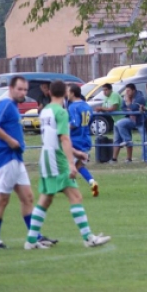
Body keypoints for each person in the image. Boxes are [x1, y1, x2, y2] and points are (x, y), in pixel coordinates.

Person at [24, 80, 110, 249]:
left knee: (46, 199)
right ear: (64, 93)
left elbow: (53, 136)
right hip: (58, 158)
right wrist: (71, 163)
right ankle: (88, 238)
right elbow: (64, 138)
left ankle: (31, 240)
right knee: (75, 197)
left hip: (46, 157)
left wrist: (76, 153)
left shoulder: (45, 111)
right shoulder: (62, 112)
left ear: (49, 93)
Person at [0, 76, 56, 250]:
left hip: (16, 158)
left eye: (25, 89)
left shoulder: (14, 106)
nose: (23, 92)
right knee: (2, 199)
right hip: (5, 158)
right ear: (11, 88)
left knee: (28, 197)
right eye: (20, 89)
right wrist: (10, 141)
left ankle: (35, 236)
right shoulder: (6, 104)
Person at [67, 84, 98, 196]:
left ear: (72, 93)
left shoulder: (73, 107)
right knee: (79, 165)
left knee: (67, 166)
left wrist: (63, 127)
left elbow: (75, 123)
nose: (66, 93)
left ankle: (71, 191)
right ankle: (92, 182)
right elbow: (89, 122)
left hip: (75, 140)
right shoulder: (86, 106)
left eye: (68, 91)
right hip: (85, 138)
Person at [110, 83, 146, 163]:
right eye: (126, 91)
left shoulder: (140, 97)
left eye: (128, 90)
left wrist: (129, 103)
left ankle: (145, 158)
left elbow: (134, 108)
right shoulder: (125, 97)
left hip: (140, 121)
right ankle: (115, 157)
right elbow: (123, 108)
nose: (127, 92)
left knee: (145, 139)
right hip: (129, 119)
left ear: (134, 90)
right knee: (118, 124)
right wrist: (130, 108)